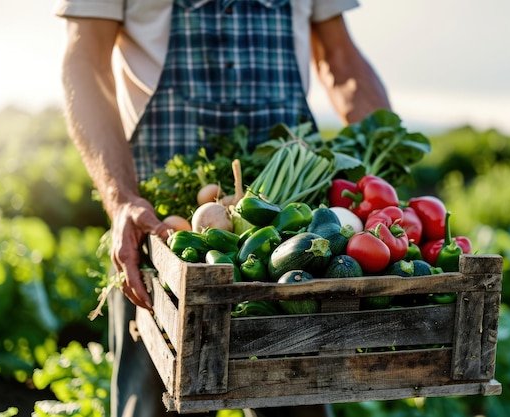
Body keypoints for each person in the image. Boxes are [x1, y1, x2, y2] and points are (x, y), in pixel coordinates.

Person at [54, 1, 390, 416]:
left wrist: (386, 170)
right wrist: (122, 198)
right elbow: (85, 59)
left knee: (295, 400)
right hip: (163, 234)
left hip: (287, 243)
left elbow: (340, 59)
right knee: (156, 402)